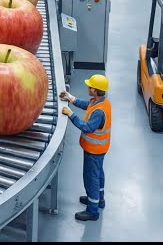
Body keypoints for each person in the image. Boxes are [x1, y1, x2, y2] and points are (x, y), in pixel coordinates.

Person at [60, 74, 112, 222]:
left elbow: (87, 127)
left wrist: (71, 115)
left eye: (90, 86)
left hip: (94, 150)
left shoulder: (99, 112)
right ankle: (98, 199)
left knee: (91, 178)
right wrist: (71, 98)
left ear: (95, 91)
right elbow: (86, 105)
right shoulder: (101, 102)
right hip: (99, 149)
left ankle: (92, 210)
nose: (87, 87)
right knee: (98, 175)